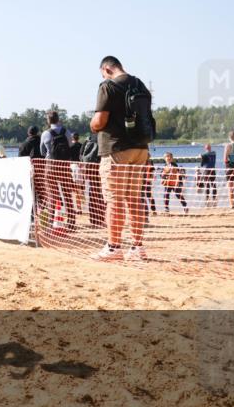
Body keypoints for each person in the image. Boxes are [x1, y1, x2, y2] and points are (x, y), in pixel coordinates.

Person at [90, 56, 154, 261]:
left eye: (102, 73)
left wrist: (92, 125)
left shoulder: (108, 86)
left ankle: (114, 246)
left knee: (114, 199)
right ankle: (137, 247)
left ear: (106, 69)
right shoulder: (139, 84)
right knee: (134, 198)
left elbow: (100, 121)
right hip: (140, 147)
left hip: (116, 148)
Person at [40, 111, 76, 230]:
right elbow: (70, 146)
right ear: (58, 119)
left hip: (51, 166)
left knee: (52, 194)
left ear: (48, 121)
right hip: (64, 165)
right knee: (67, 194)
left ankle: (51, 223)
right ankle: (71, 222)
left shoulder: (45, 133)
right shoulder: (66, 132)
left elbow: (42, 151)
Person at [196, 143, 218, 207]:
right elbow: (203, 163)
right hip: (211, 170)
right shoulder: (213, 153)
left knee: (210, 185)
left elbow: (202, 164)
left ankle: (210, 199)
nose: (208, 148)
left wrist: (201, 156)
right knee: (211, 185)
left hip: (208, 170)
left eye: (208, 147)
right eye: (208, 147)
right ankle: (211, 199)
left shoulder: (208, 154)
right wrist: (202, 156)